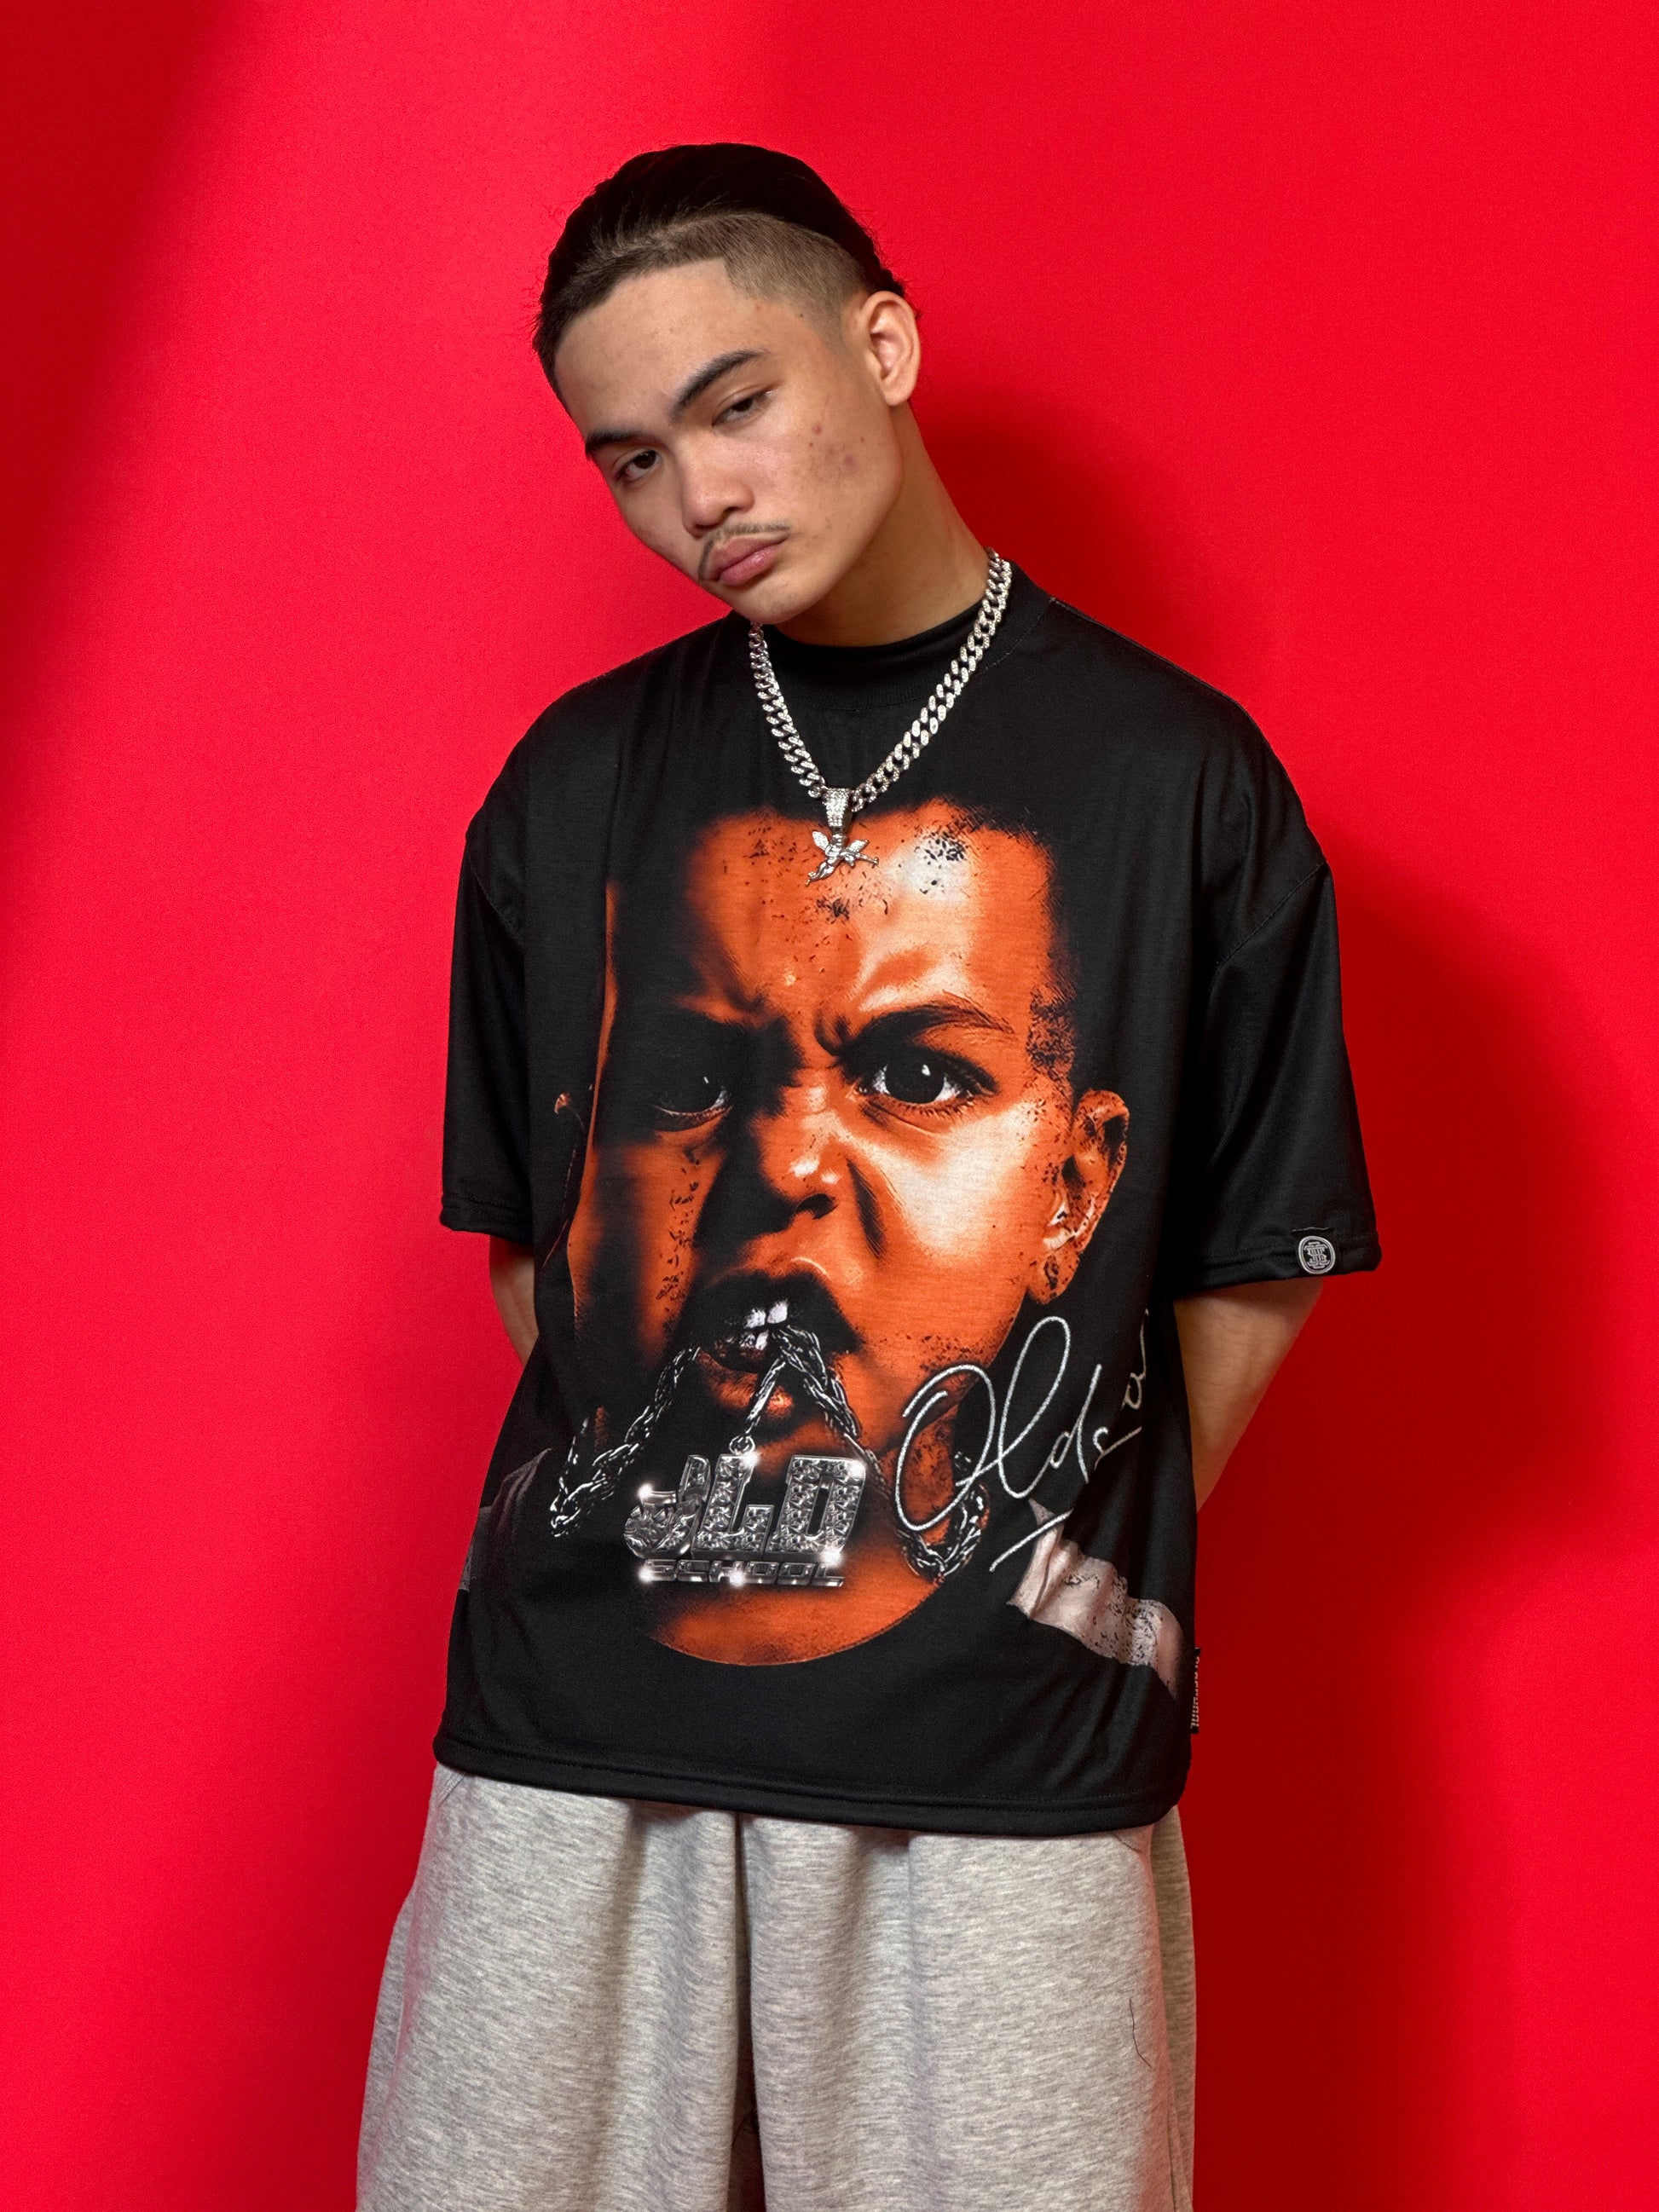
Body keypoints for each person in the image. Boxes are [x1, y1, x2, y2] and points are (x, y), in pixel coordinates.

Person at [358, 144, 1379, 2212]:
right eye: (631, 459)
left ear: (884, 344)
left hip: (1001, 1765)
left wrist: (993, 1518)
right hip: (576, 1737)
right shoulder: (570, 784)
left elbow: (1252, 1255)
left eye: (734, 402)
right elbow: (540, 1247)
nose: (698, 495)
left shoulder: (1174, 778)